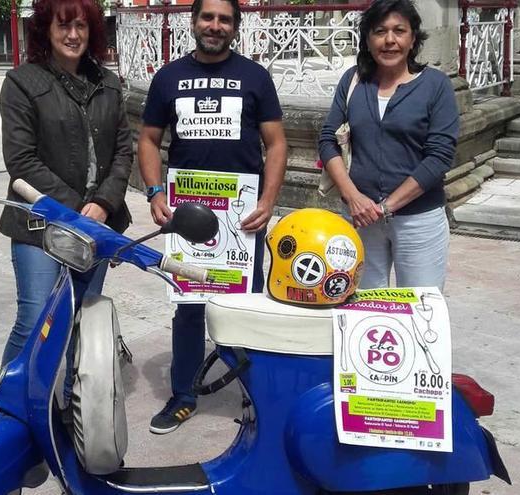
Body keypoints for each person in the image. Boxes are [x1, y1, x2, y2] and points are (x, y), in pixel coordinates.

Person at [138, 0, 287, 434]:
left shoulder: (255, 77)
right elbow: (148, 140)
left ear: (235, 27)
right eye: (208, 17)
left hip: (242, 217)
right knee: (188, 305)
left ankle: (253, 394)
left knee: (244, 304)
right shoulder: (168, 78)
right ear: (194, 21)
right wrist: (153, 191)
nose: (215, 26)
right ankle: (183, 395)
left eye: (224, 19)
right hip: (187, 213)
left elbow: (277, 144)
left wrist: (269, 199)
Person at [0, 0, 132, 367]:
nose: (73, 35)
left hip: (94, 225)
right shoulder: (22, 83)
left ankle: (64, 405)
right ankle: (12, 401)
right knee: (36, 318)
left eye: (81, 26)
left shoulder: (108, 83)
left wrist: (103, 204)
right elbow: (21, 161)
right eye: (63, 26)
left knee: (79, 322)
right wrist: (77, 210)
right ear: (46, 29)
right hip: (39, 223)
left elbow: (123, 153)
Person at [319, 0, 459, 291]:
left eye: (399, 31)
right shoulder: (354, 81)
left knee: (419, 309)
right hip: (360, 219)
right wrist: (354, 198)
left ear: (412, 39)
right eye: (380, 31)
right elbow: (328, 140)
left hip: (418, 221)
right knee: (362, 309)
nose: (390, 40)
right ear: (368, 39)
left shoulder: (435, 85)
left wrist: (385, 208)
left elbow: (439, 157)